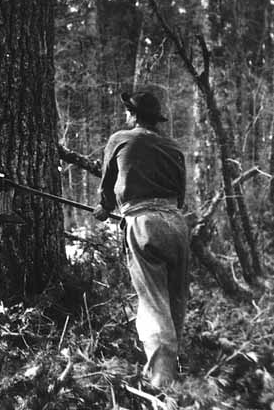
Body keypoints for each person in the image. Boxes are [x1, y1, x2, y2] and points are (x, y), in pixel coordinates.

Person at [93, 91, 190, 388]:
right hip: (176, 224)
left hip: (143, 222)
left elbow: (108, 185)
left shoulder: (121, 139)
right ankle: (174, 370)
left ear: (133, 115)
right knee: (175, 299)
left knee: (152, 301)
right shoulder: (173, 147)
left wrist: (105, 207)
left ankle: (161, 383)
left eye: (127, 112)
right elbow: (181, 196)